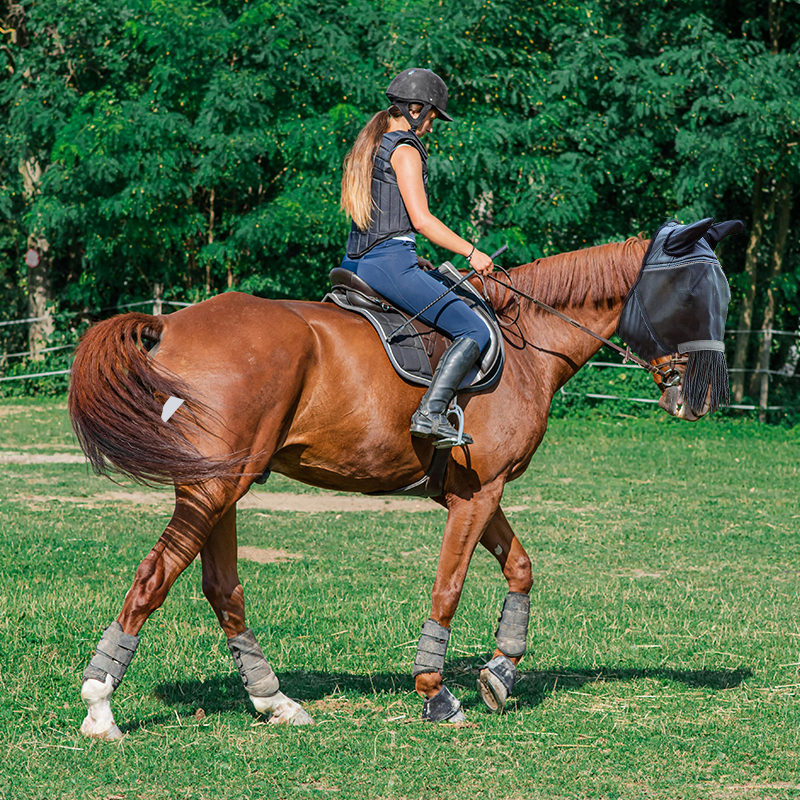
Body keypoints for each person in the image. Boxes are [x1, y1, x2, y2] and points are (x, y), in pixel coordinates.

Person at [340, 68, 494, 447]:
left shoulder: (373, 145)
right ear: (414, 109)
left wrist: (414, 255)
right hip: (389, 264)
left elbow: (391, 221)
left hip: (354, 263)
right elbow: (422, 220)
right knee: (475, 330)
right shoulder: (404, 148)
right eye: (431, 117)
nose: (431, 126)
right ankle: (431, 413)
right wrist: (471, 252)